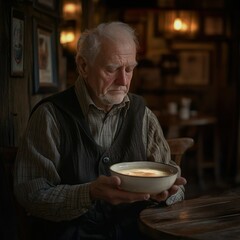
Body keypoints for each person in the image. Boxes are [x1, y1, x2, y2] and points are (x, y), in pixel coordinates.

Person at [14, 21, 187, 240]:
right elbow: (31, 194)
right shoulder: (50, 116)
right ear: (83, 66)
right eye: (111, 69)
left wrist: (167, 195)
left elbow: (175, 184)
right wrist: (88, 193)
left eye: (129, 69)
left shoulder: (142, 115)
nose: (123, 81)